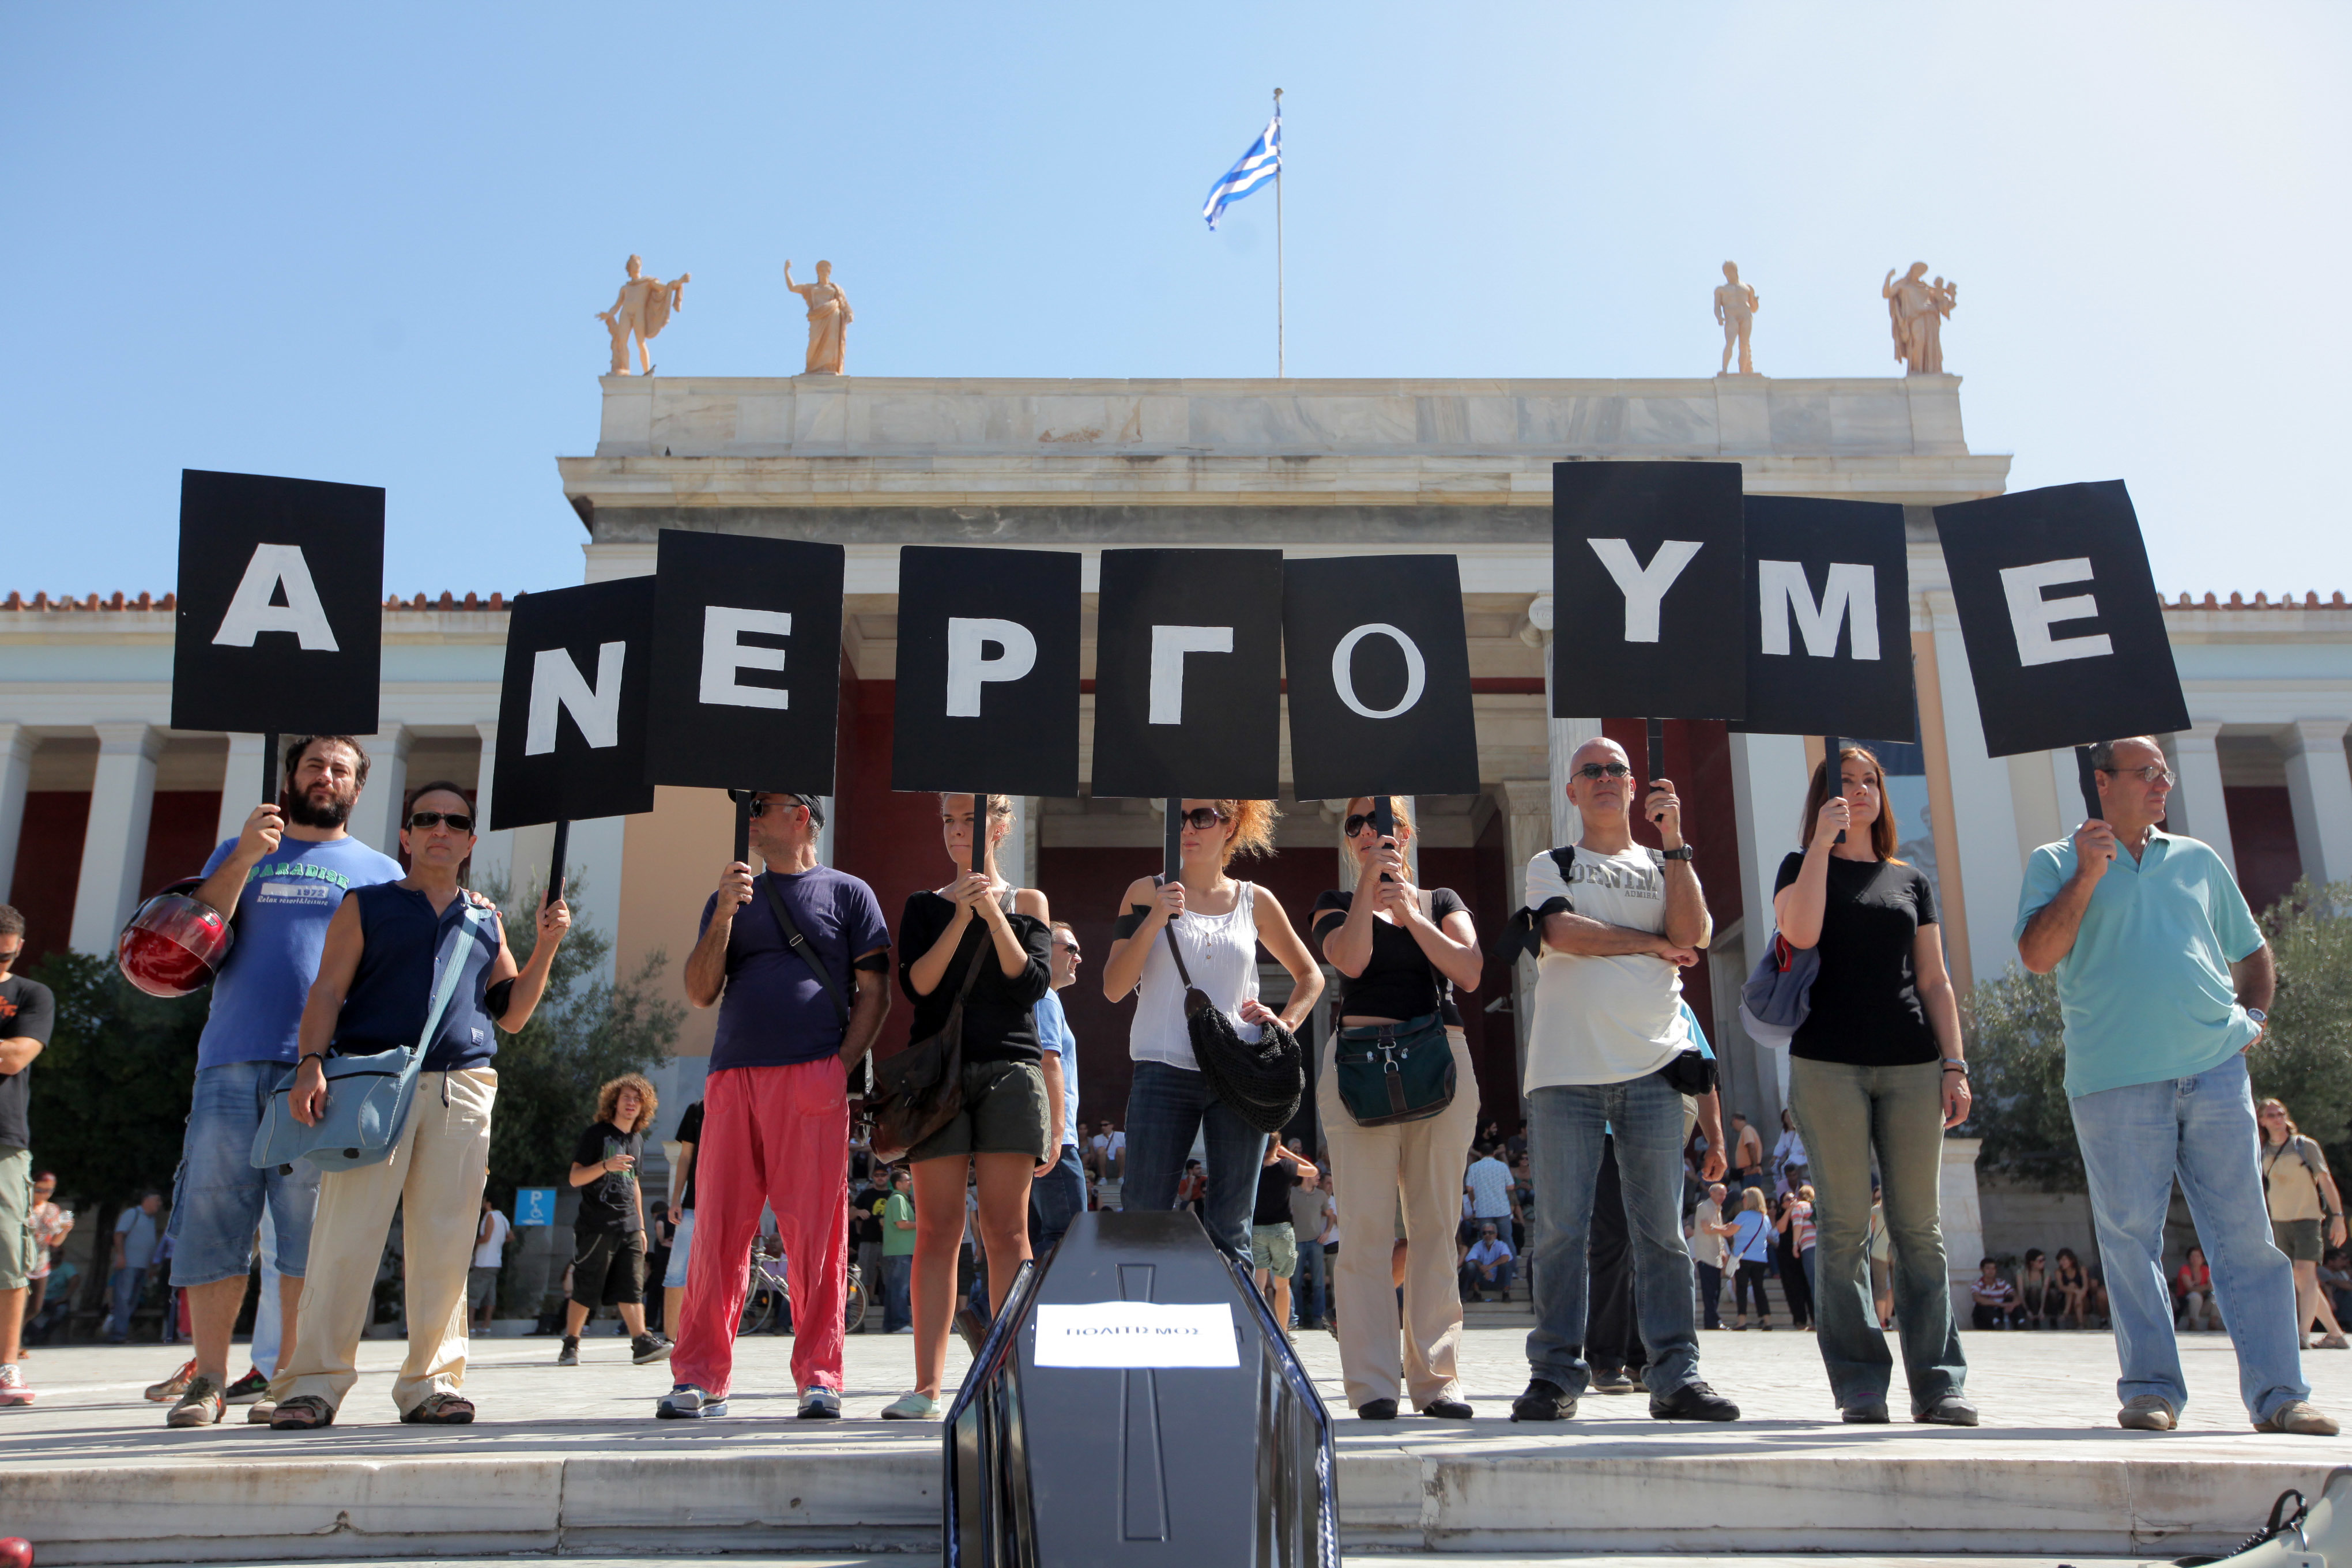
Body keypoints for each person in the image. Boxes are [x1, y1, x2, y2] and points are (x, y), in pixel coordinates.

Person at [2017, 735, 2334, 1435]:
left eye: (2165, 772)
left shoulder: (2197, 858)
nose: (2163, 783)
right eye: (2147, 773)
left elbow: (2252, 951)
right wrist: (2088, 874)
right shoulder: (2054, 862)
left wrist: (2253, 1017)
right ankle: (2152, 1389)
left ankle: (2282, 1393)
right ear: (2103, 782)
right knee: (2131, 1238)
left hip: (2215, 1070)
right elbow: (2038, 954)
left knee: (2248, 1237)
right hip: (2113, 1080)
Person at [266, 783, 570, 1429]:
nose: (440, 828)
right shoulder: (367, 904)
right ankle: (311, 1383)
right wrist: (310, 1063)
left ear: (469, 840)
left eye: (454, 820)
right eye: (426, 818)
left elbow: (512, 1014)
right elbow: (326, 989)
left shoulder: (484, 918)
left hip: (462, 1090)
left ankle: (432, 1384)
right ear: (406, 835)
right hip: (371, 1086)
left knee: (445, 1244)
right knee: (344, 1240)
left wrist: (546, 945)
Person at [163, 736, 403, 1424]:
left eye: (340, 770)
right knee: (213, 1216)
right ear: (290, 778)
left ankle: (288, 1377)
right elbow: (194, 927)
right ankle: (208, 1377)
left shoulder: (380, 871)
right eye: (313, 766)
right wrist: (243, 853)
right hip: (231, 1059)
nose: (325, 777)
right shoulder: (239, 850)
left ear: (358, 788)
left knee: (306, 1230)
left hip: (321, 1069)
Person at [1513, 738, 1735, 1424]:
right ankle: (1555, 1375)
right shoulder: (1551, 863)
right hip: (1565, 1074)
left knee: (1663, 1235)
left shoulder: (1663, 863)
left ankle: (1676, 1374)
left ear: (1634, 788)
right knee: (1559, 1231)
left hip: (1654, 1072)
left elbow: (1693, 931)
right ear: (1574, 790)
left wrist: (1676, 844)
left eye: (1617, 770)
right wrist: (1646, 942)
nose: (1605, 778)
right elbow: (1562, 932)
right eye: (1591, 771)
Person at [661, 791, 890, 1422]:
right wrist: (722, 917)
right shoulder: (731, 896)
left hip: (811, 1079)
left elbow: (876, 990)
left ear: (802, 816)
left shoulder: (849, 893)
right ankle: (700, 1376)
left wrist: (837, 1067)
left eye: (763, 805)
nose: (750, 816)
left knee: (817, 1236)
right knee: (717, 1233)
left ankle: (820, 1375)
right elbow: (701, 991)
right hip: (732, 1079)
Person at [1774, 743, 1973, 1424]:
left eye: (1869, 781)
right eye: (1844, 782)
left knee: (1920, 1227)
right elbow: (1798, 932)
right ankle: (1860, 1382)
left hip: (1913, 1062)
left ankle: (1940, 1382)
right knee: (1843, 1228)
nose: (1859, 791)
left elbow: (1934, 979)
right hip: (1828, 1063)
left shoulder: (1910, 880)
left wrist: (1955, 1061)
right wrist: (1824, 845)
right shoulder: (1801, 866)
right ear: (1823, 798)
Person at [1311, 796, 1484, 1420]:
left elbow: (1467, 970)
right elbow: (1350, 960)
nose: (1364, 832)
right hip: (1360, 1067)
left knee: (1436, 1224)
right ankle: (1373, 1383)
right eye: (1354, 825)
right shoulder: (1334, 901)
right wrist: (1368, 888)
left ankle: (1437, 1379)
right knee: (1364, 1228)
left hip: (1438, 1060)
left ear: (1404, 833)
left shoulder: (1441, 900)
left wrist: (1412, 913)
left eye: (1376, 823)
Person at [884, 795, 1054, 1423]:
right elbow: (919, 985)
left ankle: (1014, 1374)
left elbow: (1028, 982)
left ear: (1001, 827)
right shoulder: (924, 905)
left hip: (1010, 1069)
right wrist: (959, 915)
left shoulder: (1029, 902)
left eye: (971, 821)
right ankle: (926, 1386)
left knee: (1007, 1230)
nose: (958, 832)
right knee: (937, 1228)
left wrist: (993, 911)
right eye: (950, 822)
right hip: (939, 1076)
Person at [1103, 800, 1323, 1264]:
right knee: (1144, 1214)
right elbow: (1114, 987)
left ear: (1231, 825)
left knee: (1233, 1226)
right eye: (1179, 818)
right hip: (1161, 1070)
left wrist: (1284, 1025)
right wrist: (1156, 919)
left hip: (1238, 1074)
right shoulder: (1146, 892)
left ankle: (1236, 1334)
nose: (1187, 828)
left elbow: (1311, 976)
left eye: (1201, 817)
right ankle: (1142, 1329)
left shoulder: (1254, 900)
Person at [559, 1073, 669, 1368]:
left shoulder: (637, 1140)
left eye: (637, 1099)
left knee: (632, 1285)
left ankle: (641, 1342)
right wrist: (606, 1165)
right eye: (626, 1098)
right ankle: (571, 1344)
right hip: (596, 1225)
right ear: (614, 1102)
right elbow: (575, 1178)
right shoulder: (596, 1135)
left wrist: (642, 1226)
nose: (631, 1103)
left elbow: (634, 1184)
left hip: (630, 1225)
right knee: (587, 1285)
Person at [0, 906, 54, 1407]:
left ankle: (6, 1366)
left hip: (4, 1138)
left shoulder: (31, 994)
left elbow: (15, 1056)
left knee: (9, 1254)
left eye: (7, 954)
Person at [2257, 1099, 2351, 1350]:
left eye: (2281, 1113)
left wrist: (2338, 1217)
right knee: (2300, 1279)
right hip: (2279, 1222)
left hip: (2307, 1220)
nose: (2277, 1118)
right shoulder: (2263, 1150)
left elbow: (2326, 1181)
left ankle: (2301, 1333)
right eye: (2271, 1115)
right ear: (2262, 1121)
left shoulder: (2304, 1146)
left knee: (2306, 1277)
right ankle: (2336, 1335)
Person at [1030, 921, 1088, 1258]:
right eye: (1071, 949)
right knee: (1069, 1236)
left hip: (1038, 1136)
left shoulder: (1035, 995)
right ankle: (981, 1310)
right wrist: (1057, 1135)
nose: (1078, 957)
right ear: (1042, 949)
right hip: (1055, 1140)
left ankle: (985, 1311)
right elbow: (1048, 1060)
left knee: (1040, 1237)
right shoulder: (1046, 996)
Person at [1250, 1139, 1318, 1332]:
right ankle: (1283, 1330)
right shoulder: (1285, 1166)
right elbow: (1312, 1171)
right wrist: (1288, 1154)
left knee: (1259, 1283)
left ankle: (1259, 1328)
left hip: (1257, 1229)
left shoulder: (1253, 1168)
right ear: (1277, 1145)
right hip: (1281, 1229)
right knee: (1282, 1284)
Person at [663, 1099, 703, 1339]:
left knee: (718, 1274)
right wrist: (675, 1199)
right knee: (676, 1272)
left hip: (728, 1208)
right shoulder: (697, 1109)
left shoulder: (744, 1106)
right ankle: (671, 1339)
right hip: (693, 1204)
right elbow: (685, 1157)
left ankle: (707, 1336)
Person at [22, 1171, 70, 1356]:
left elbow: (56, 1242)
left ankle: (11, 1341)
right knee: (18, 1305)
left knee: (35, 1307)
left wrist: (66, 1229)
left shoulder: (53, 1209)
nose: (45, 1194)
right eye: (40, 1189)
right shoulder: (23, 1207)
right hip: (21, 1263)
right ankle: (13, 1346)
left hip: (41, 1264)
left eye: (49, 1190)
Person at [108, 1192, 164, 1343]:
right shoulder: (132, 1213)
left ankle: (122, 1332)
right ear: (146, 1200)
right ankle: (119, 1334)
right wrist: (121, 1256)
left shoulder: (151, 1219)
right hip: (129, 1265)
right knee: (123, 1300)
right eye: (157, 1200)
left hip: (142, 1266)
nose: (159, 1204)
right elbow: (119, 1235)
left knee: (132, 1301)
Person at [1290, 1164, 1333, 1330]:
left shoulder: (1321, 1195)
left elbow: (1329, 1215)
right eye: (1316, 1176)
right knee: (1296, 1283)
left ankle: (1319, 1320)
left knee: (1319, 1283)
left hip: (1316, 1242)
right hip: (1297, 1242)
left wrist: (1327, 1232)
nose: (1318, 1179)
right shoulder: (1293, 1193)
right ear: (1306, 1176)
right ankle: (1298, 1320)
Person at [1727, 1187, 1774, 1331]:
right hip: (1760, 1258)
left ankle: (1742, 1321)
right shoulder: (1765, 1218)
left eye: (1745, 1198)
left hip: (1743, 1257)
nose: (1743, 1201)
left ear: (1750, 1200)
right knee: (1759, 1289)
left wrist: (1714, 1228)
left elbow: (1729, 1232)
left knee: (1741, 1289)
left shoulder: (1743, 1215)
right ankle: (1767, 1320)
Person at [881, 1166, 916, 1334]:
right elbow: (902, 1224)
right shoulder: (898, 1199)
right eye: (908, 1180)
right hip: (899, 1252)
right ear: (899, 1184)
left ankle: (891, 1325)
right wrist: (923, 1224)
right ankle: (899, 1324)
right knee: (900, 1289)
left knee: (894, 1290)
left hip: (896, 1251)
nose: (910, 1183)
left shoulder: (899, 1199)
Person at [1774, 1190, 1815, 1331]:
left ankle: (1816, 1320)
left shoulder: (1802, 1210)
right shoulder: (1782, 1214)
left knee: (1809, 1287)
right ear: (1782, 1204)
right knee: (1793, 1289)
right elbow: (1781, 1229)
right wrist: (1790, 1210)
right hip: (1787, 1256)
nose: (1792, 1201)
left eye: (1793, 1198)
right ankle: (1800, 1321)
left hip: (1804, 1251)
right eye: (1787, 1200)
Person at [469, 1196, 511, 1333]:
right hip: (496, 1262)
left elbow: (486, 1237)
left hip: (484, 1261)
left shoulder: (490, 1216)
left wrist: (473, 1243)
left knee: (473, 1293)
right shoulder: (503, 1219)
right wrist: (498, 1243)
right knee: (490, 1294)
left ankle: (470, 1326)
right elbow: (511, 1237)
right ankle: (486, 1325)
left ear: (489, 1203)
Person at [1691, 1181, 1730, 1332]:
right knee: (1710, 1292)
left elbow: (1714, 1231)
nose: (1723, 1196)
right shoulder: (1705, 1207)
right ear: (1711, 1193)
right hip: (1706, 1256)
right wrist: (1726, 1229)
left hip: (1715, 1256)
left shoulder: (1717, 1209)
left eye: (1725, 1194)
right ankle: (1713, 1322)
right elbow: (1707, 1229)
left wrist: (1722, 1250)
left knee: (1715, 1291)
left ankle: (1713, 1321)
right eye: (1720, 1193)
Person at [1463, 1222, 1516, 1301]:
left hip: (1498, 1280)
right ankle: (1476, 1293)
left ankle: (1506, 1293)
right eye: (1485, 1233)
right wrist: (1484, 1269)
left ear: (1496, 1235)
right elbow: (1470, 1258)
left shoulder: (1502, 1245)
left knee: (1507, 1264)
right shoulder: (1478, 1245)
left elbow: (1507, 1257)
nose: (1487, 1235)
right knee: (1471, 1265)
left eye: (1490, 1233)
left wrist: (1490, 1266)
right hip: (1483, 1280)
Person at [2175, 1246, 2222, 1333]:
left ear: (2203, 1259)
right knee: (2195, 1296)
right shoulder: (2185, 1269)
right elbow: (2190, 1288)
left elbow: (2212, 1285)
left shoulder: (2205, 1269)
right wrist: (2206, 1287)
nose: (2195, 1259)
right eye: (2192, 1256)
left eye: (2198, 1256)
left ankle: (2213, 1323)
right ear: (2189, 1258)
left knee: (2216, 1296)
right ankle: (2192, 1323)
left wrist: (2205, 1287)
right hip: (2187, 1305)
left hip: (2203, 1305)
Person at [1970, 1260, 2020, 1330]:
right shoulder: (1977, 1284)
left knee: (2011, 1299)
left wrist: (2012, 1305)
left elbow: (2016, 1296)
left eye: (1993, 1268)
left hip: (2000, 1313)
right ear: (1982, 1269)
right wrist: (2001, 1305)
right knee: (1982, 1304)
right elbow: (1977, 1298)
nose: (1991, 1271)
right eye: (1988, 1268)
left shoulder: (2002, 1283)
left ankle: (2021, 1322)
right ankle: (1996, 1322)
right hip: (1984, 1318)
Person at [2049, 1247, 2091, 1330]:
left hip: (2083, 1300)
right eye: (2060, 1260)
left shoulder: (2081, 1269)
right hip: (2068, 1301)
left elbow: (2085, 1287)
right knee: (2071, 1286)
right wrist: (2075, 1291)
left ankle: (2068, 1315)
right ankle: (2078, 1321)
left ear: (2071, 1260)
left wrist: (2079, 1296)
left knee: (2073, 1288)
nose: (2062, 1263)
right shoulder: (2059, 1272)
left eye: (2064, 1260)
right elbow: (2061, 1287)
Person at [1771, 1109, 1808, 1196]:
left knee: (1785, 1167)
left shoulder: (1800, 1130)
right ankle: (1779, 1186)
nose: (1789, 1119)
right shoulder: (1785, 1132)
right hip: (1792, 1155)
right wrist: (1775, 1157)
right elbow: (1781, 1145)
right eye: (1787, 1117)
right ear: (1784, 1119)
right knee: (1775, 1165)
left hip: (1800, 1155)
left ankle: (1787, 1187)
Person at [1729, 1113, 1765, 1194]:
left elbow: (1751, 1147)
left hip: (1750, 1174)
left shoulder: (1747, 1130)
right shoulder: (1747, 1130)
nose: (1732, 1126)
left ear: (1735, 1120)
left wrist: (1753, 1167)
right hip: (1748, 1174)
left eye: (1732, 1124)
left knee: (1750, 1200)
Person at [2018, 1247, 2052, 1329]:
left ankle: (2052, 1319)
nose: (2043, 1263)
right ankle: (2035, 1319)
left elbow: (2044, 1291)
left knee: (2053, 1293)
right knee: (2033, 1290)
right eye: (2040, 1261)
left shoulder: (2046, 1273)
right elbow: (2021, 1293)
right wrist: (2027, 1310)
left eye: (2044, 1260)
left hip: (2042, 1300)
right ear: (2032, 1262)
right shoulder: (2021, 1273)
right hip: (2028, 1300)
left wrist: (2042, 1309)